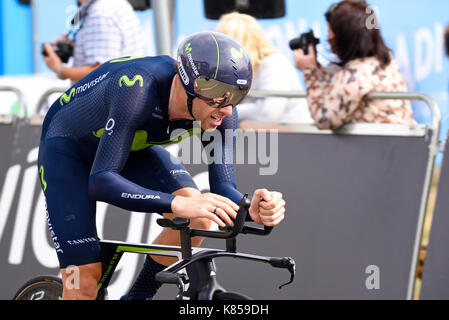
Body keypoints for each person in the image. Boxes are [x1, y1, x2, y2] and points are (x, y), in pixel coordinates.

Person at [37, 31, 286, 300]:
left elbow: (224, 187)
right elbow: (100, 181)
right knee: (83, 284)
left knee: (199, 214)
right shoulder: (137, 89)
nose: (227, 109)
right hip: (67, 149)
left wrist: (251, 210)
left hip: (127, 146)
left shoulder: (221, 113)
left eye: (237, 95)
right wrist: (175, 203)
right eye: (217, 95)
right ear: (188, 84)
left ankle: (137, 297)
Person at [293, 0, 415, 130]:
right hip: (397, 145)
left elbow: (324, 120)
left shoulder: (356, 73)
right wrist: (316, 69)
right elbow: (339, 87)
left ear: (345, 35)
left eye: (330, 30)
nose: (328, 38)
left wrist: (309, 71)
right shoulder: (382, 62)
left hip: (379, 147)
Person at [217, 12, 312, 124]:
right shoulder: (239, 69)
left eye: (221, 41)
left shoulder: (274, 64)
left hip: (296, 135)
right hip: (268, 135)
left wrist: (221, 110)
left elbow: (269, 112)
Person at [43, 0, 143, 83]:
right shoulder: (110, 5)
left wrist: (60, 69)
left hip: (110, 102)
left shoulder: (100, 12)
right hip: (123, 96)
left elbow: (102, 73)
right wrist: (75, 49)